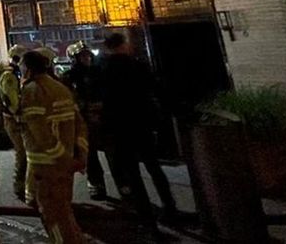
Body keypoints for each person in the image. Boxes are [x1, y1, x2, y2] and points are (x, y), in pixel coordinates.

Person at [98, 33, 178, 236]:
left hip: (119, 129)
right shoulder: (138, 66)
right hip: (142, 125)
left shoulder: (104, 70)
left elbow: (102, 102)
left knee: (133, 175)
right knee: (154, 168)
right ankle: (170, 209)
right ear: (122, 45)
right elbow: (157, 90)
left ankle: (147, 221)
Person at [20, 50, 87, 244]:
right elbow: (80, 125)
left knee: (53, 216)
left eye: (22, 66)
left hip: (48, 165)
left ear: (29, 69)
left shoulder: (32, 91)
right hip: (67, 165)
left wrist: (63, 159)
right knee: (65, 212)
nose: (20, 69)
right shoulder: (61, 88)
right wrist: (80, 156)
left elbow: (40, 133)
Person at [63, 40, 108, 199]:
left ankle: (125, 185)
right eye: (83, 56)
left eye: (87, 55)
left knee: (113, 152)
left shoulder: (98, 72)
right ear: (75, 58)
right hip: (84, 120)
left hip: (103, 117)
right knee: (90, 153)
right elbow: (70, 98)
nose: (86, 58)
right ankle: (96, 184)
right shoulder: (70, 77)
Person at [0, 44, 28, 203]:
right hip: (13, 119)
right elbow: (12, 100)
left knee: (25, 152)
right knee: (22, 152)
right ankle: (19, 186)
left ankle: (26, 184)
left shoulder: (17, 74)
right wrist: (18, 113)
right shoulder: (9, 76)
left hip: (18, 118)